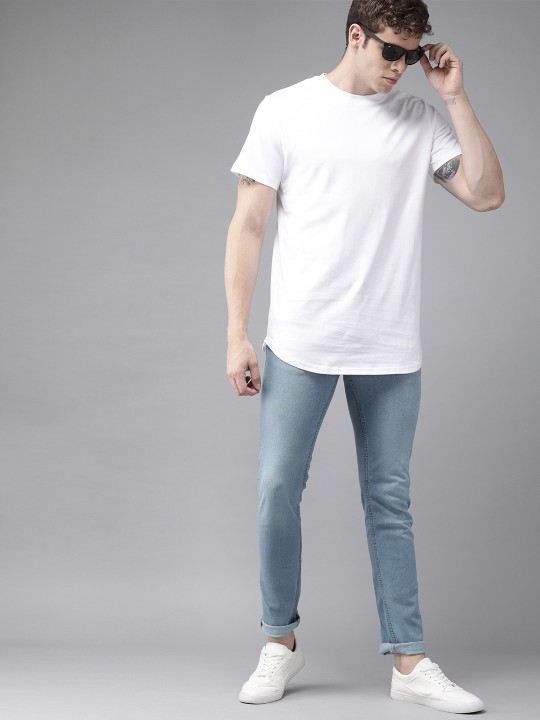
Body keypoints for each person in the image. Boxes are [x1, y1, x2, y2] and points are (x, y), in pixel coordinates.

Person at [224, 0, 504, 712]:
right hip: (301, 340)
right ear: (356, 36)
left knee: (389, 500)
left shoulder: (418, 121)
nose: (401, 67)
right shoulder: (284, 110)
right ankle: (279, 642)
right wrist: (236, 332)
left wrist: (456, 97)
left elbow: (487, 194)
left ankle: (410, 661)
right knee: (276, 488)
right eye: (391, 52)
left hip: (389, 344)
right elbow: (249, 225)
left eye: (412, 54)